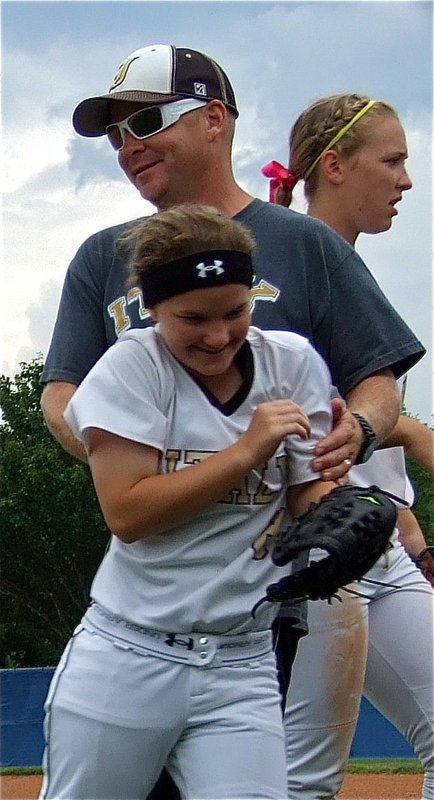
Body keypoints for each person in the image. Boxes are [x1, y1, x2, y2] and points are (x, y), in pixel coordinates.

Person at [40, 45, 425, 798]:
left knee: (298, 779)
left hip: (260, 607)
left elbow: (374, 382)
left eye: (147, 120)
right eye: (116, 133)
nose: (130, 144)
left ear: (215, 119)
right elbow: (65, 395)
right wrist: (131, 453)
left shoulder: (303, 249)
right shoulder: (102, 260)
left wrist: (356, 447)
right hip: (144, 611)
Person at [40, 202, 345, 799]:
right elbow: (129, 513)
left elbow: (309, 489)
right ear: (151, 310)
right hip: (129, 654)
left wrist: (338, 513)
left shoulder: (292, 362)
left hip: (243, 659)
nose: (218, 334)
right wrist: (245, 451)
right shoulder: (130, 368)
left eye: (236, 310)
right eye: (192, 317)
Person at [262, 92, 434, 799]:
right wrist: (416, 430)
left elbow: (369, 440)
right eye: (391, 160)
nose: (406, 179)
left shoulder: (342, 267)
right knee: (305, 779)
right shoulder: (285, 270)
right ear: (334, 166)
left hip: (377, 535)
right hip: (310, 538)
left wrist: (416, 539)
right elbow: (311, 417)